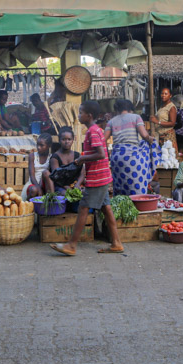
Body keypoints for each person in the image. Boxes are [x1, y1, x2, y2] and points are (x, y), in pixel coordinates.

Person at [50, 101, 123, 256]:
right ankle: (116, 243)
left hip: (97, 178)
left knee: (83, 208)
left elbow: (101, 154)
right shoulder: (96, 130)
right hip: (102, 176)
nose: (78, 115)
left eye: (81, 112)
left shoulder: (92, 132)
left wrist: (82, 158)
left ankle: (71, 245)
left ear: (89, 116)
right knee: (106, 208)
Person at [105, 98, 157, 196]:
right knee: (135, 184)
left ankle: (121, 205)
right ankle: (138, 203)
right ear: (130, 109)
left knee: (120, 185)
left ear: (117, 109)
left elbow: (103, 139)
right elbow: (144, 135)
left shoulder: (111, 122)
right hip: (132, 157)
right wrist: (151, 140)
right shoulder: (136, 117)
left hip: (117, 157)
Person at [45, 127, 82, 194]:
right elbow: (57, 177)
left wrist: (78, 184)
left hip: (74, 185)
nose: (66, 142)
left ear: (73, 140)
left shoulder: (77, 155)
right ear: (59, 140)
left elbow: (82, 172)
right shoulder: (55, 157)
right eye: (64, 139)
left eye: (69, 139)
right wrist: (69, 189)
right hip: (60, 185)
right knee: (64, 194)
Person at [23, 133, 52, 199]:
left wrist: (41, 186)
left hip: (45, 183)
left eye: (42, 145)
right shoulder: (32, 156)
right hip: (33, 182)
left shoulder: (51, 158)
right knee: (34, 190)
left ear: (49, 146)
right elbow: (32, 175)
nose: (38, 147)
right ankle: (29, 205)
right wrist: (38, 187)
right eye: (37, 145)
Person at [150, 87, 178, 154]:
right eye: (162, 93)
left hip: (168, 137)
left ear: (170, 95)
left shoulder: (171, 107)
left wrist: (157, 122)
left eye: (166, 94)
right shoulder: (162, 106)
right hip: (161, 137)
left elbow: (172, 123)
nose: (163, 95)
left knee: (169, 158)